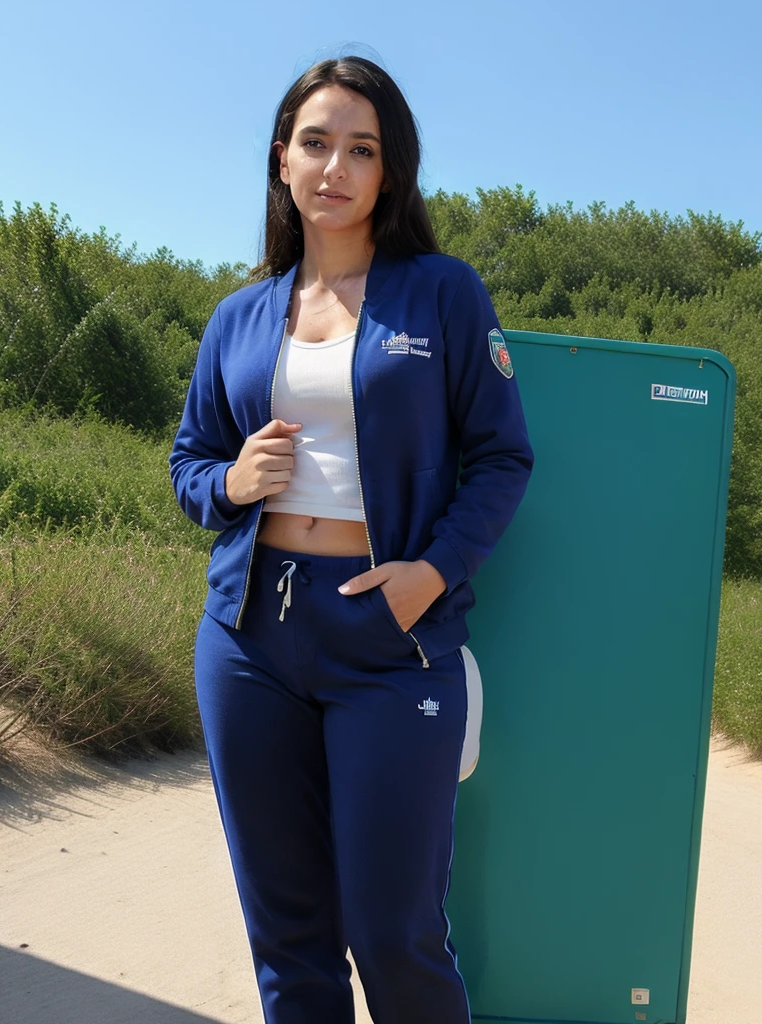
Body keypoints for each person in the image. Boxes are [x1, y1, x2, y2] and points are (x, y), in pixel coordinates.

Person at [169, 55, 533, 1024]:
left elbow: (503, 459)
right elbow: (189, 464)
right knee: (288, 936)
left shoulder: (442, 294)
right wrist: (230, 482)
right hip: (250, 636)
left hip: (389, 637)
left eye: (360, 148)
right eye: (316, 142)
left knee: (391, 930)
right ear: (282, 160)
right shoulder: (238, 318)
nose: (335, 165)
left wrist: (432, 572)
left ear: (389, 171)